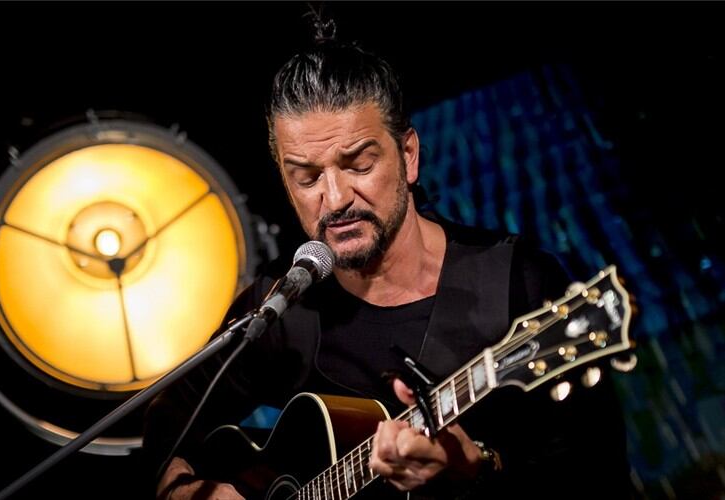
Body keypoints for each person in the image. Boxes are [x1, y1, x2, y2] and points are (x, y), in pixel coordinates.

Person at [142, 21, 632, 500]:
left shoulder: (515, 283)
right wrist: (183, 486)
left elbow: (598, 473)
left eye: (358, 164)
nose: (334, 199)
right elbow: (170, 413)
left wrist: (478, 467)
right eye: (307, 178)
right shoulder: (285, 309)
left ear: (409, 155)